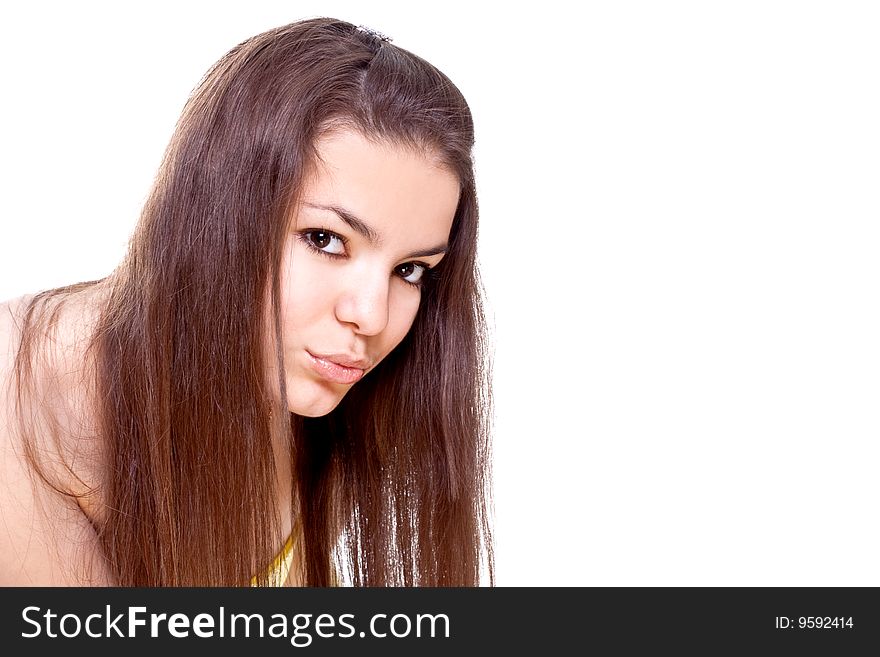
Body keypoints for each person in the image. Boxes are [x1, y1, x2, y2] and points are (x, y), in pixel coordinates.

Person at [0, 17, 493, 587]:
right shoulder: (23, 403)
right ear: (218, 213)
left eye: (410, 270)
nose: (372, 315)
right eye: (325, 240)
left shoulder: (317, 382)